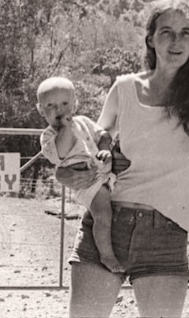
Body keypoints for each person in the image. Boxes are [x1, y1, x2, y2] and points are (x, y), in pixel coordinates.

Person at [54, 0, 189, 318]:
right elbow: (89, 148)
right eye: (167, 32)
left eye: (186, 32)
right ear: (151, 39)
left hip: (165, 234)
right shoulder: (124, 88)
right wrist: (68, 171)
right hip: (107, 224)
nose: (176, 41)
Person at [37, 76, 123, 273]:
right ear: (41, 110)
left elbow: (103, 134)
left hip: (103, 172)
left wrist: (104, 149)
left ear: (74, 104)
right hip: (87, 181)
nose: (59, 110)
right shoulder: (49, 136)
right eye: (51, 106)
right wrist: (66, 127)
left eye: (65, 103)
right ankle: (107, 255)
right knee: (103, 214)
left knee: (115, 210)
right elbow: (62, 151)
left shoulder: (83, 121)